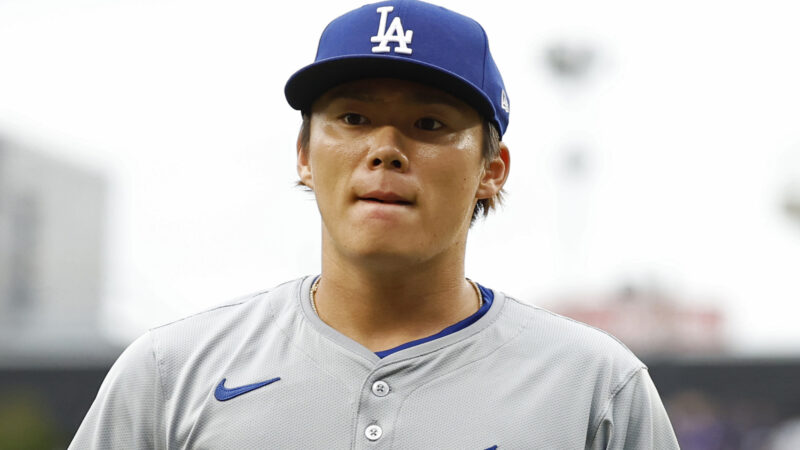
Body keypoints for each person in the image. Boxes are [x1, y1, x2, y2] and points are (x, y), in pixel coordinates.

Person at [71, 0, 679, 448]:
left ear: (492, 169)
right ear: (305, 153)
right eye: (354, 117)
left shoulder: (596, 387)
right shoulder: (169, 373)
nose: (385, 149)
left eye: (430, 124)